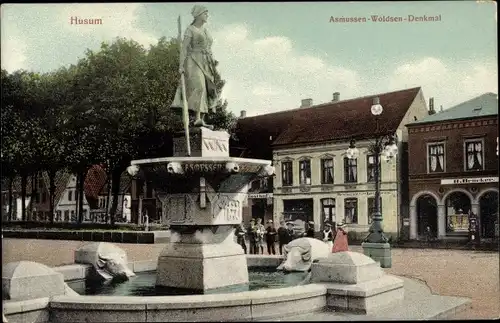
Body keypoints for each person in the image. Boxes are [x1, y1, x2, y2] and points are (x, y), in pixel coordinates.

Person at [172, 5, 220, 128]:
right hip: (193, 61)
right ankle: (197, 118)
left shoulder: (206, 30)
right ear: (198, 15)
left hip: (207, 62)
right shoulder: (190, 29)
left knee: (208, 89)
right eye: (205, 13)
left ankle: (201, 120)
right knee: (199, 87)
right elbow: (184, 48)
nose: (207, 15)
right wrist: (181, 65)